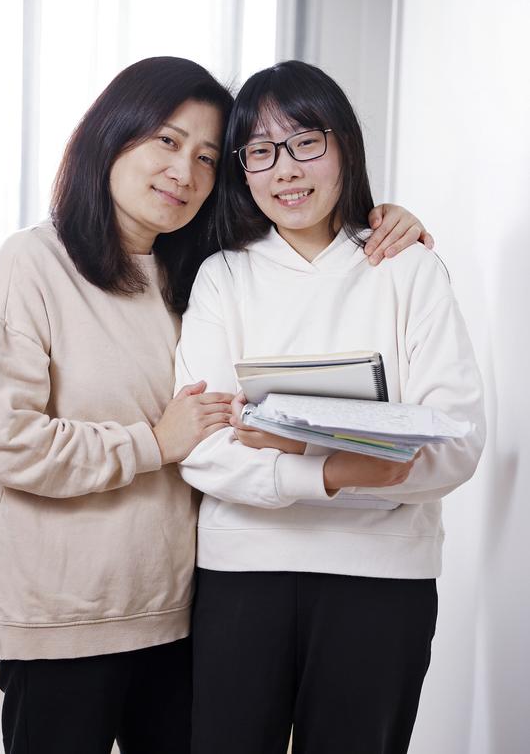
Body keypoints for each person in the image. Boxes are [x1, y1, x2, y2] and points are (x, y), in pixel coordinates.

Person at [0, 55, 433, 754]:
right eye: (167, 142)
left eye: (208, 157)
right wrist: (154, 441)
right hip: (65, 616)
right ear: (110, 136)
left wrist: (382, 218)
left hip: (175, 613)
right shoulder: (34, 262)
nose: (185, 171)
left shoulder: (195, 273)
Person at [175, 61, 486, 754]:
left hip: (382, 578)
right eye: (260, 150)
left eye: (305, 142)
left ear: (344, 143)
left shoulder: (408, 268)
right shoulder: (222, 276)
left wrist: (283, 442)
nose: (284, 169)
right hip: (241, 572)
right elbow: (202, 441)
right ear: (242, 168)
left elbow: (457, 438)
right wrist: (336, 471)